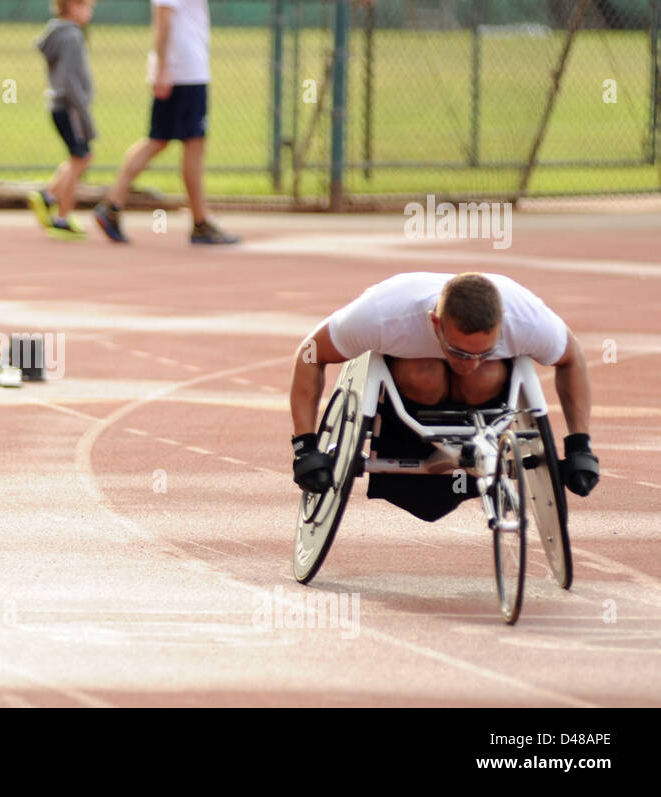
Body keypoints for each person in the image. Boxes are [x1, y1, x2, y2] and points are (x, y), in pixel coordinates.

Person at [289, 272, 598, 521]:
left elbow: (572, 358)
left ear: (501, 325)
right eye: (459, 351)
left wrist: (579, 445)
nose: (471, 362)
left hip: (484, 409)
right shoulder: (385, 315)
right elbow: (310, 354)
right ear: (435, 323)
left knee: (486, 374)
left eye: (485, 352)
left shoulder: (527, 320)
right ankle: (428, 441)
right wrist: (305, 446)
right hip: (409, 413)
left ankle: (475, 435)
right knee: (426, 375)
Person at [93, 0, 238, 245]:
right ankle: (200, 222)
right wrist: (162, 68)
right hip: (183, 72)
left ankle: (113, 204)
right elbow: (163, 17)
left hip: (184, 70)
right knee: (187, 143)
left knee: (165, 141)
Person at [28, 0, 97, 241]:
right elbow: (69, 79)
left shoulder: (57, 33)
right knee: (81, 158)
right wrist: (83, 111)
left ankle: (48, 197)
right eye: (88, 6)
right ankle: (62, 217)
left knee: (80, 157)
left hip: (59, 106)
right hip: (69, 107)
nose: (91, 11)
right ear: (73, 7)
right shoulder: (71, 37)